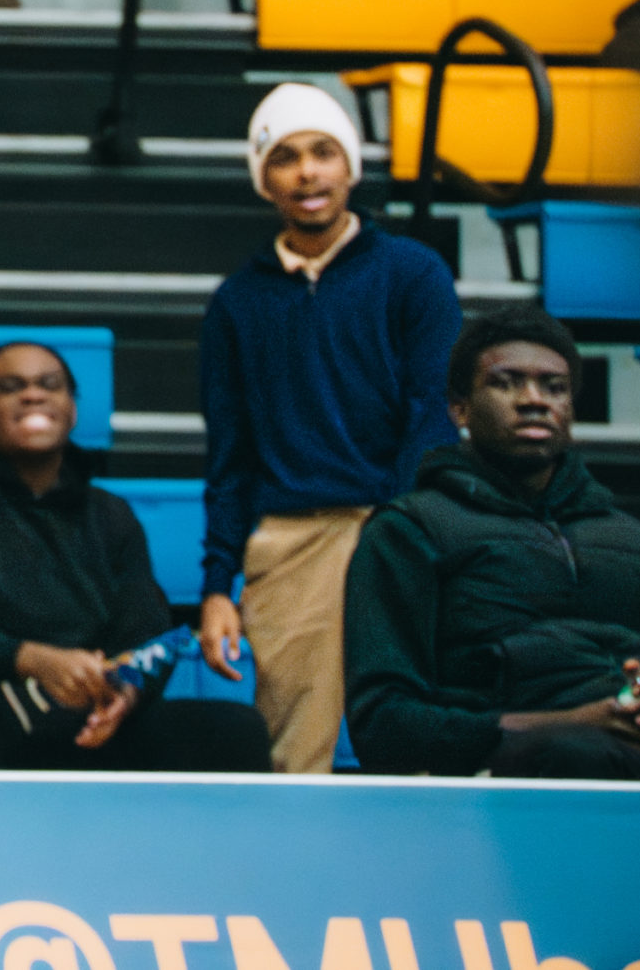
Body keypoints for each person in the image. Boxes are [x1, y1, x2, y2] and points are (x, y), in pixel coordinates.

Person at [343, 308, 640, 780]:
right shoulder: (408, 531)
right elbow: (383, 727)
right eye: (506, 383)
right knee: (570, 754)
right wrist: (567, 723)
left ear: (570, 408)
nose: (534, 400)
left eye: (554, 387)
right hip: (518, 763)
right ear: (459, 408)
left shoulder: (630, 539)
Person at [195, 83, 462, 774]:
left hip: (402, 528)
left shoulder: (414, 273)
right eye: (285, 157)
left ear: (349, 167)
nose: (307, 171)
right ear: (265, 179)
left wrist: (403, 522)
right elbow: (230, 455)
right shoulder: (237, 301)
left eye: (323, 151)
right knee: (296, 755)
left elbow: (431, 411)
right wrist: (218, 585)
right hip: (291, 540)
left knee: (415, 741)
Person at [0, 342, 271, 773]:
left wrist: (125, 693)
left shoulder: (110, 515)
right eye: (11, 387)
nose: (33, 395)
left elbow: (143, 624)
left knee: (232, 730)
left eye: (49, 385)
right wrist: (27, 657)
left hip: (89, 712)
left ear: (71, 409)